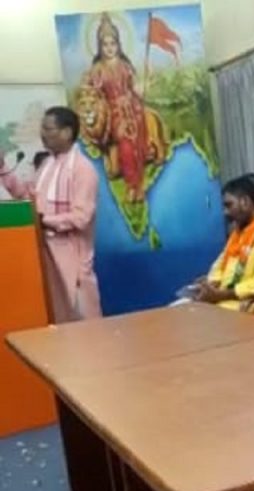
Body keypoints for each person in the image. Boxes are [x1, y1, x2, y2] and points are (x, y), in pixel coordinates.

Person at [0, 106, 101, 322]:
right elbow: (26, 197)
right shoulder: (47, 165)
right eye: (42, 128)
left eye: (48, 128)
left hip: (72, 264)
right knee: (57, 325)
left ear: (67, 132)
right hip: (46, 259)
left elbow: (81, 217)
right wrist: (3, 169)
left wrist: (44, 221)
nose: (42, 133)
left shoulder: (83, 169)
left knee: (84, 327)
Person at [181, 173, 254, 311]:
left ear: (245, 202)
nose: (225, 212)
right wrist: (211, 283)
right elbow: (221, 266)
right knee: (181, 307)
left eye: (229, 205)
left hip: (246, 304)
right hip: (225, 299)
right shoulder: (239, 232)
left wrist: (220, 295)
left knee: (192, 313)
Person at [84, 13, 147, 203]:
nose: (110, 48)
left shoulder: (125, 66)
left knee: (139, 143)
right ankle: (131, 185)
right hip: (113, 113)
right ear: (100, 46)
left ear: (118, 44)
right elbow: (92, 93)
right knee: (125, 145)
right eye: (105, 44)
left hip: (133, 109)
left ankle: (140, 186)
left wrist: (141, 88)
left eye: (113, 43)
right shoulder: (97, 70)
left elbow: (134, 88)